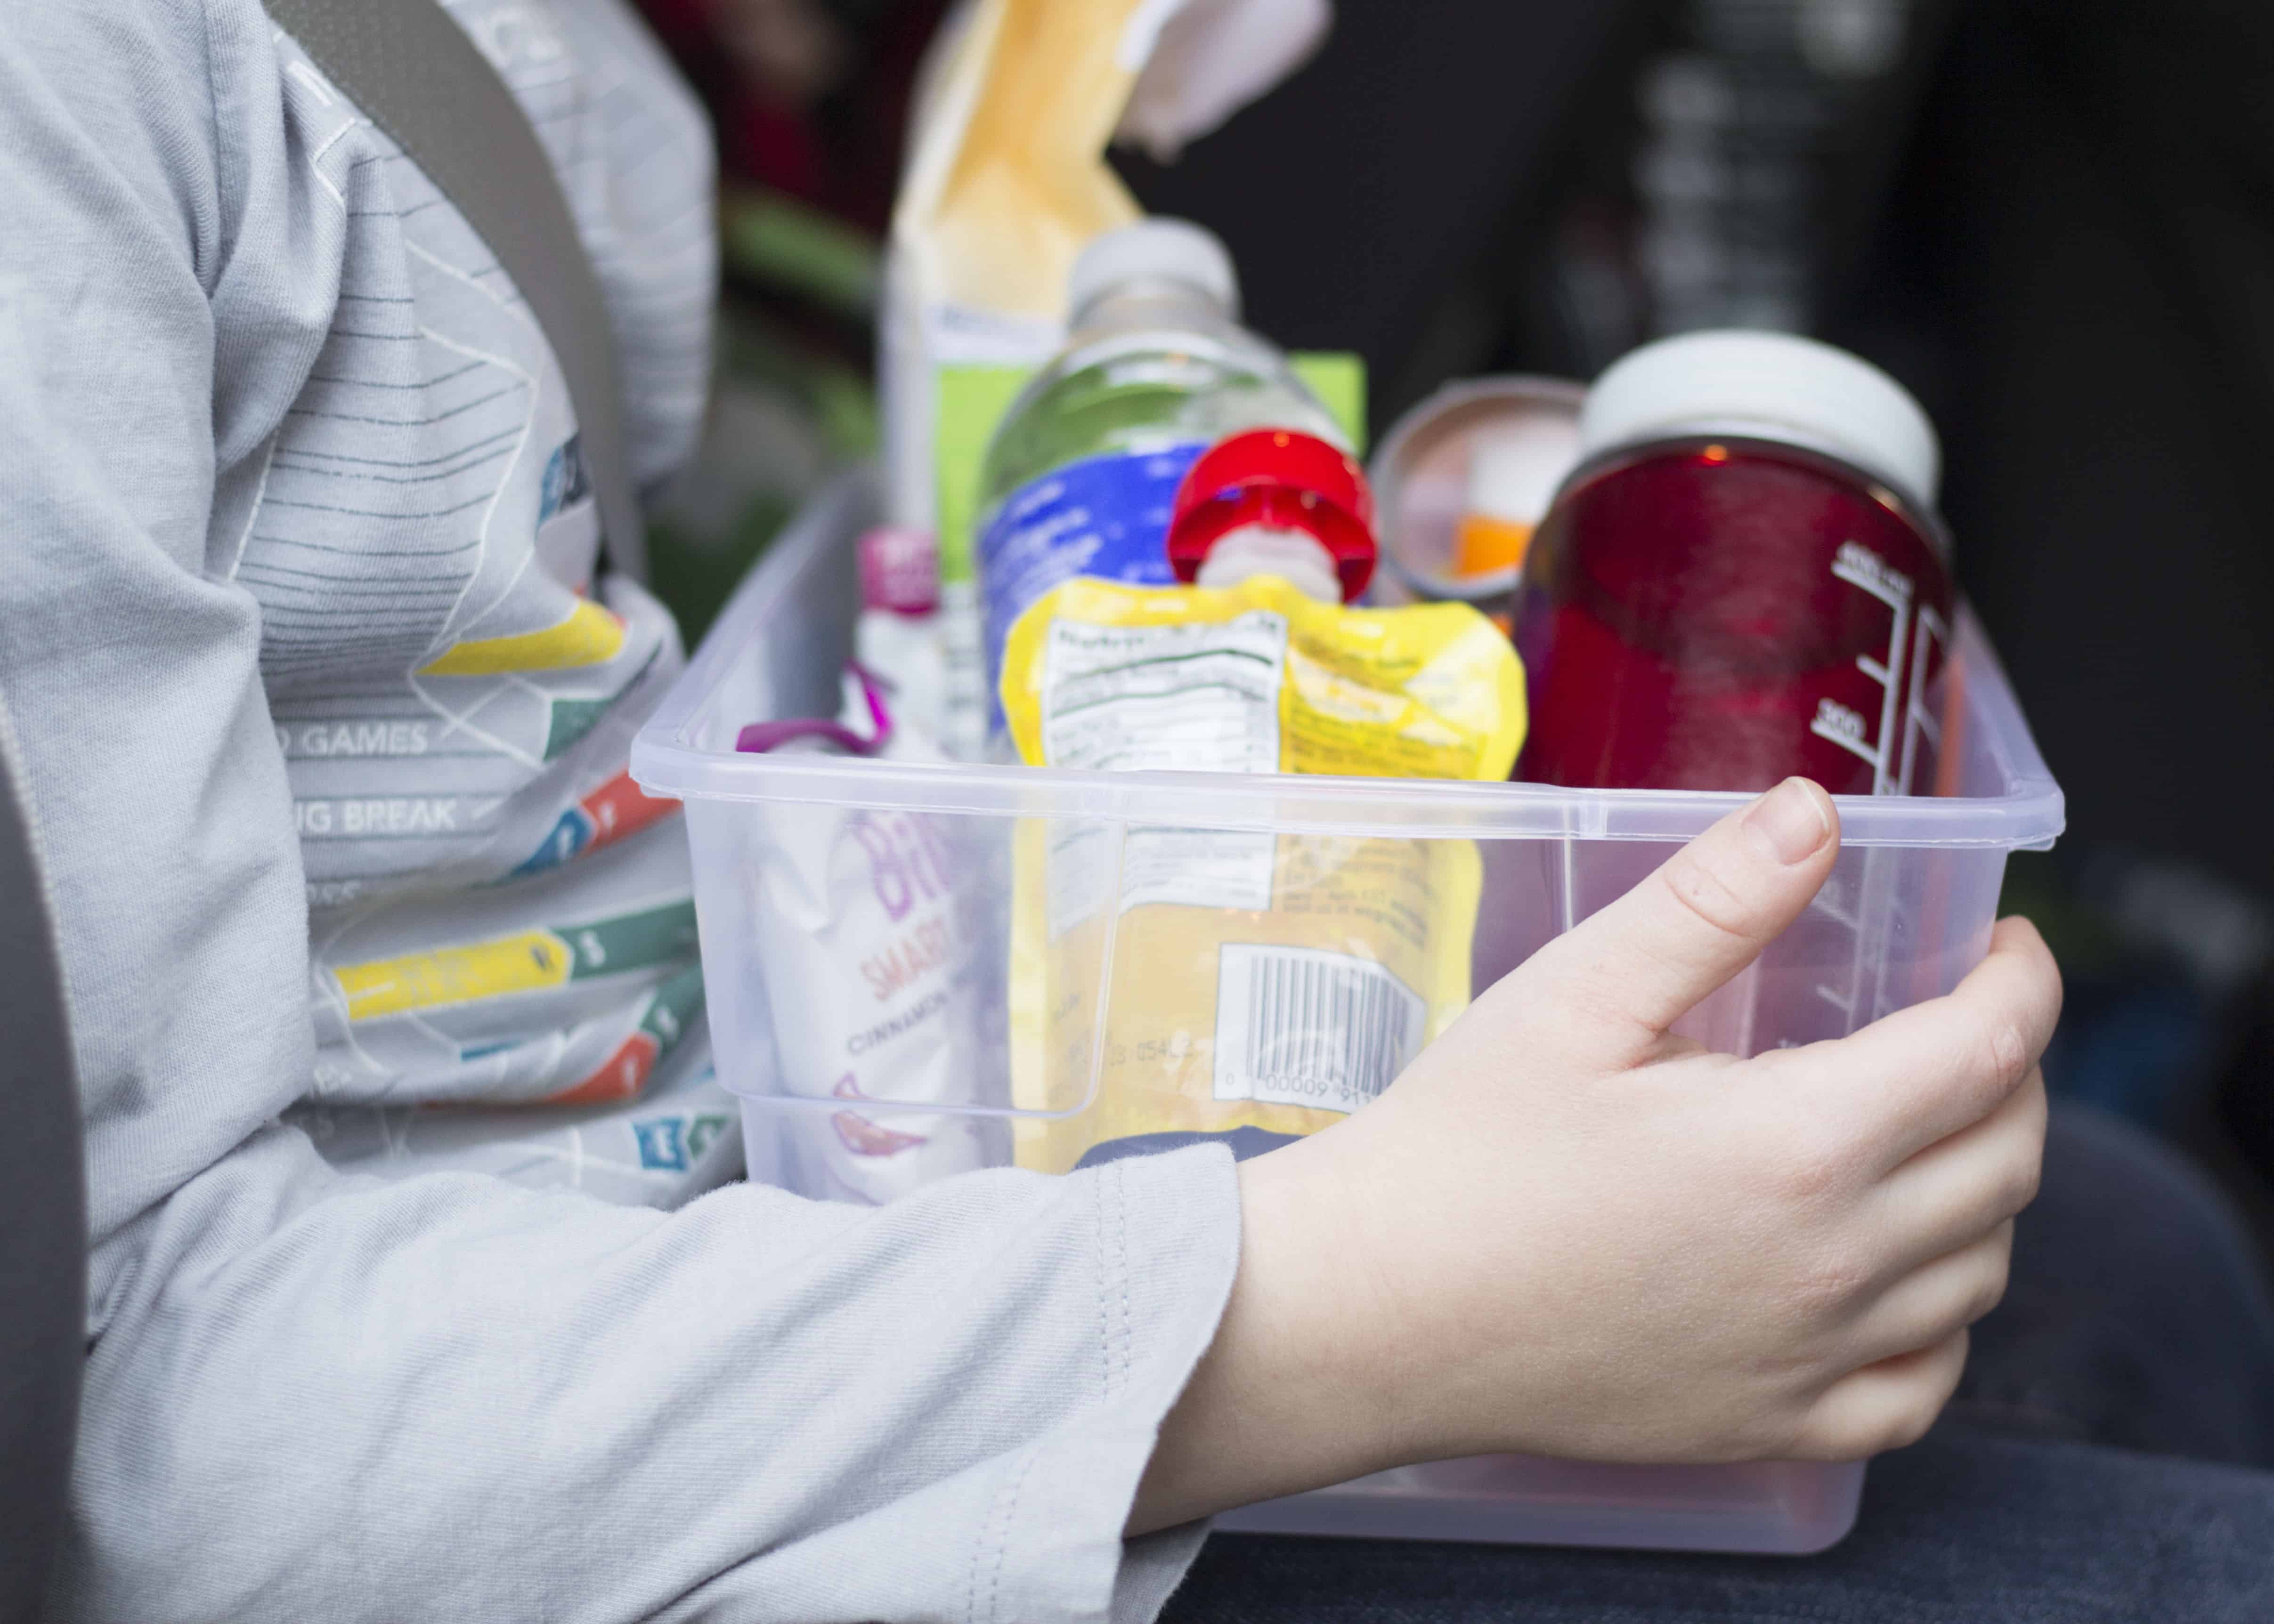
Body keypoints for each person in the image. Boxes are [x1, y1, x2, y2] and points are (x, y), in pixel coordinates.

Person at [1, 3, 2264, 1621]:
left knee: (2139, 1253)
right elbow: (125, 1457)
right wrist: (1372, 1301)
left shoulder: (523, 62)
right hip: (641, 1461)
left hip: (794, 1196)